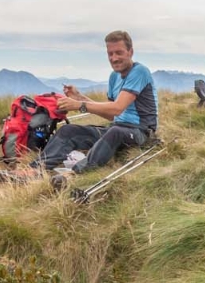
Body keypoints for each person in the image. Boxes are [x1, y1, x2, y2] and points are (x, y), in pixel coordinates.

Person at [16, 31, 157, 183]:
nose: (114, 58)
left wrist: (79, 105)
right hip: (116, 127)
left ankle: (74, 174)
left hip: (140, 131)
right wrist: (79, 97)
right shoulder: (114, 76)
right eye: (110, 54)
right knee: (68, 130)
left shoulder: (139, 72)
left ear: (131, 52)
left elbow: (117, 108)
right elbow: (111, 115)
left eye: (119, 53)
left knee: (115, 132)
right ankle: (35, 170)